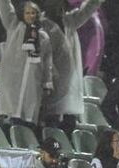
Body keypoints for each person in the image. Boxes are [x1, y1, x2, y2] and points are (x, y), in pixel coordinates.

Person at [41, 0, 104, 132]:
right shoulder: (40, 26)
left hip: (69, 85)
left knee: (69, 125)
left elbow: (87, 8)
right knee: (50, 125)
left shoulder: (68, 21)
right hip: (50, 85)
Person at [0, 0, 53, 128]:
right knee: (13, 116)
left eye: (33, 13)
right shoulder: (14, 26)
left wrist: (47, 82)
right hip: (13, 80)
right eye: (27, 13)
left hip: (33, 82)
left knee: (28, 118)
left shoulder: (43, 37)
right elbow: (5, 8)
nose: (30, 16)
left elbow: (47, 61)